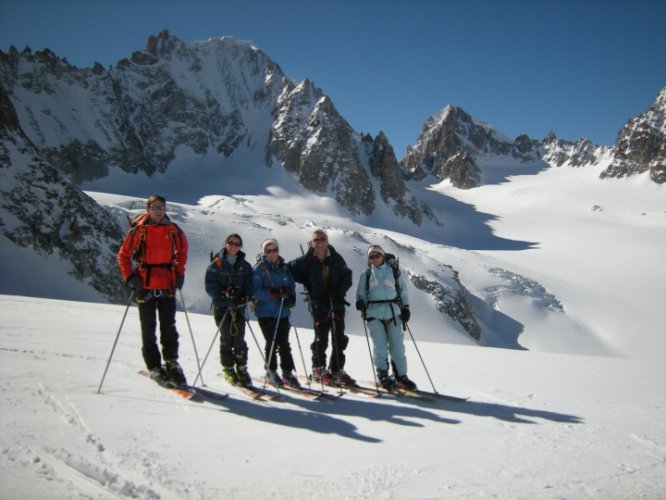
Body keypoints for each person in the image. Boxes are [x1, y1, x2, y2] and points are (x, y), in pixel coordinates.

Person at [117, 195, 188, 387]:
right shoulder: (138, 230)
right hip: (145, 284)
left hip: (167, 284)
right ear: (148, 209)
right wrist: (130, 277)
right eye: (155, 207)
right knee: (148, 328)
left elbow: (182, 251)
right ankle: (155, 365)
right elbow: (123, 255)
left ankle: (172, 363)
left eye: (162, 207)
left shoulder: (173, 230)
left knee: (169, 328)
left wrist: (179, 274)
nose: (159, 210)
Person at [287, 229, 354, 385]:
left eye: (322, 239)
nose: (320, 242)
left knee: (339, 339)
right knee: (321, 339)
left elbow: (347, 276)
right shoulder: (307, 260)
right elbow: (289, 269)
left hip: (336, 302)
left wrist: (339, 290)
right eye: (316, 239)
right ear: (312, 242)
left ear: (327, 241)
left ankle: (336, 370)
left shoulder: (336, 258)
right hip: (318, 304)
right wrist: (305, 280)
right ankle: (318, 369)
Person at [355, 244, 416, 390]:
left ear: (382, 256)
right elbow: (360, 293)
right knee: (380, 347)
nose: (375, 259)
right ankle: (383, 375)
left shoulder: (394, 271)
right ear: (369, 259)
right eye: (372, 257)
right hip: (374, 314)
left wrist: (406, 308)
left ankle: (401, 376)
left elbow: (403, 291)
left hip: (393, 313)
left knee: (398, 347)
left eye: (377, 255)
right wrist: (360, 302)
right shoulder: (366, 274)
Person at [204, 233, 253, 386]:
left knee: (239, 340)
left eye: (237, 244)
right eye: (231, 242)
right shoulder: (216, 264)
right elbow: (210, 286)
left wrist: (246, 296)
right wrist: (224, 292)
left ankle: (242, 368)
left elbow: (250, 285)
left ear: (240, 246)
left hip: (238, 307)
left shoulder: (245, 266)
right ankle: (228, 369)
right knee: (226, 339)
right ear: (225, 244)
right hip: (222, 307)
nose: (233, 246)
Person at [251, 239, 300, 388]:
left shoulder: (284, 268)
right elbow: (254, 290)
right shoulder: (259, 268)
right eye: (268, 251)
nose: (272, 253)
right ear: (264, 253)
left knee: (284, 343)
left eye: (274, 250)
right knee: (271, 342)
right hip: (265, 312)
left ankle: (287, 372)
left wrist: (291, 298)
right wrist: (273, 293)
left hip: (282, 311)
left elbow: (291, 285)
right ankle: (271, 371)